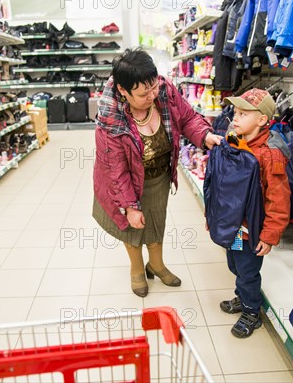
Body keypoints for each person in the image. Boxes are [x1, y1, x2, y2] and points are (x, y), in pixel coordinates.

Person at [93, 49, 223, 297]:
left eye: (153, 87)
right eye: (143, 94)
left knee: (156, 222)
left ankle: (157, 264)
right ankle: (136, 269)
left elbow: (186, 117)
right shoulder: (110, 119)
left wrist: (204, 135)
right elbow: (115, 170)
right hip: (123, 181)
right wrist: (130, 206)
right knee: (131, 227)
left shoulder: (163, 90)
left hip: (157, 175)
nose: (152, 95)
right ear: (123, 91)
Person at [218, 89, 291, 338]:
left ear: (262, 120)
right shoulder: (234, 142)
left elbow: (278, 199)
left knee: (248, 271)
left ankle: (252, 311)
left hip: (252, 229)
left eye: (243, 114)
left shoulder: (270, 154)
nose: (235, 118)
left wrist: (270, 235)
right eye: (235, 113)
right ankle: (243, 297)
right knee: (234, 265)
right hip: (232, 226)